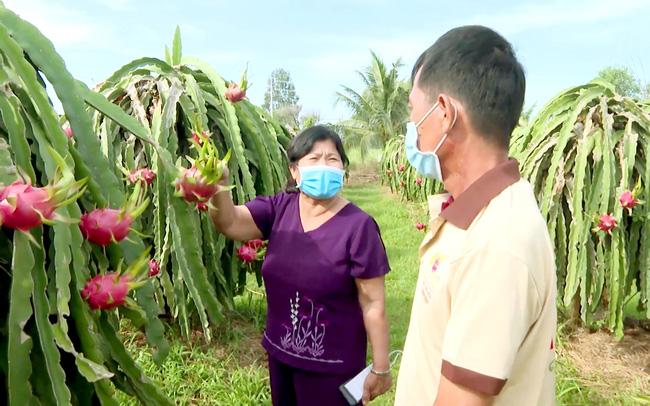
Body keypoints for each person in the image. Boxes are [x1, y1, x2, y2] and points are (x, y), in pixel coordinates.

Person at [394, 26, 557, 405]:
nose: (411, 128)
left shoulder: (497, 244)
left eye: (413, 111)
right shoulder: (482, 217)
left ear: (445, 113)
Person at [209, 125, 392, 406]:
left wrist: (381, 367)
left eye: (333, 159)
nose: (324, 166)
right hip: (281, 357)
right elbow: (229, 222)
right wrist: (217, 186)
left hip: (334, 369)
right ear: (295, 170)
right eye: (314, 159)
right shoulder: (278, 209)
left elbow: (373, 303)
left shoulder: (359, 227)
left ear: (343, 168)